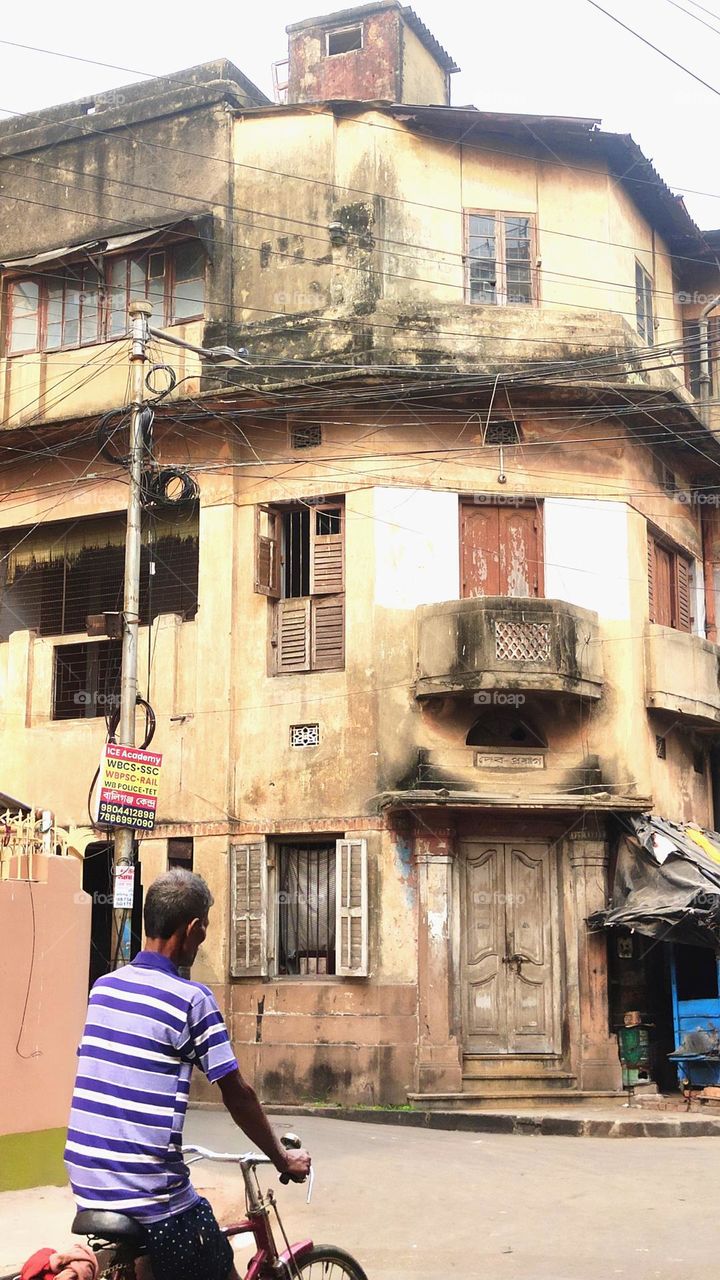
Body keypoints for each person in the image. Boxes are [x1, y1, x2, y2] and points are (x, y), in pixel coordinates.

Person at [64, 868, 311, 1280]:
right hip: (149, 1193)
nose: (202, 939)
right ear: (192, 928)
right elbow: (238, 1096)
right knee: (213, 1253)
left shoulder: (104, 988)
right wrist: (282, 1159)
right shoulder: (191, 1000)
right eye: (204, 930)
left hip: (88, 1183)